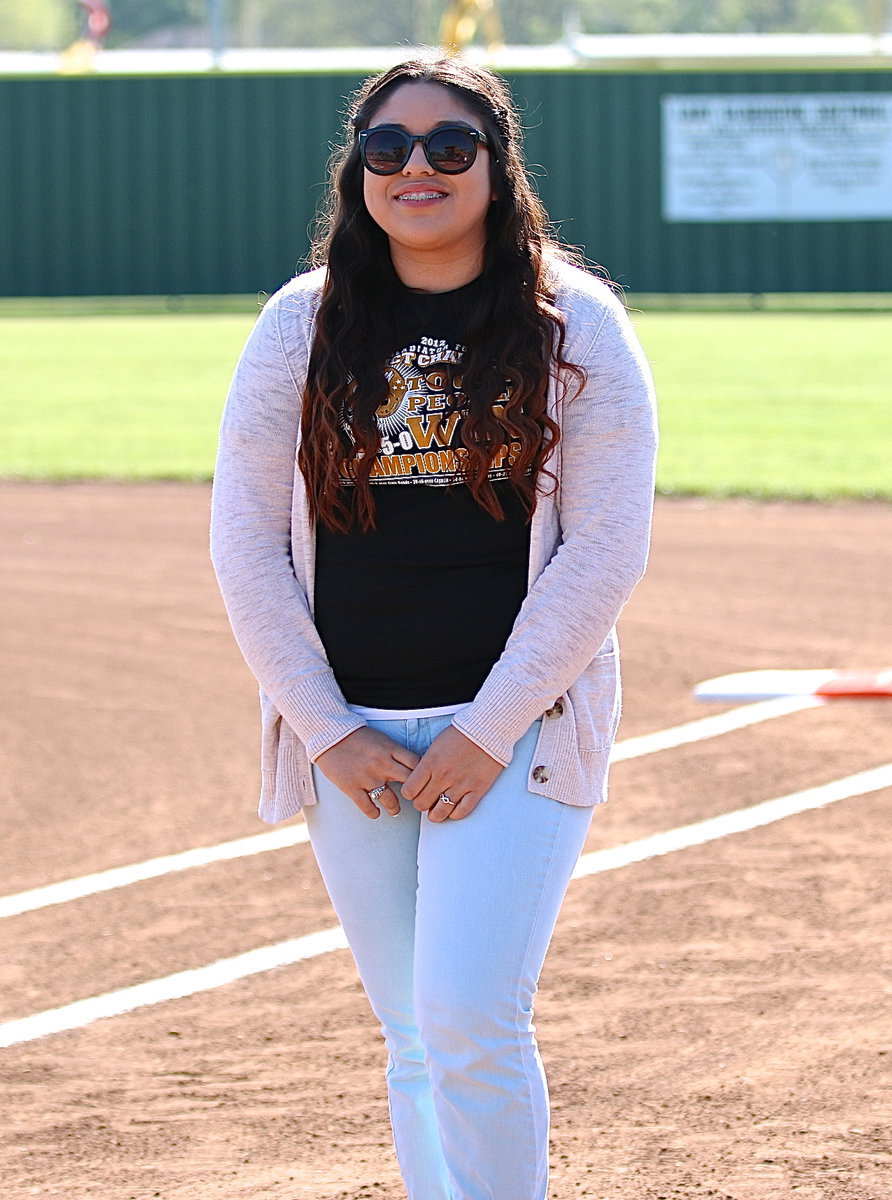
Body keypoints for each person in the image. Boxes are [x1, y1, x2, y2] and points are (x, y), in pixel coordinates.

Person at [210, 55, 657, 1200]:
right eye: (388, 147)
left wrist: (488, 729)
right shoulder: (299, 325)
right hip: (350, 727)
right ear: (357, 170)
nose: (418, 167)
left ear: (497, 169)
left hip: (509, 729)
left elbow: (600, 551)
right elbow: (246, 543)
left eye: (449, 146)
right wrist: (322, 728)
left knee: (467, 1016)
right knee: (411, 1034)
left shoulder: (575, 325)